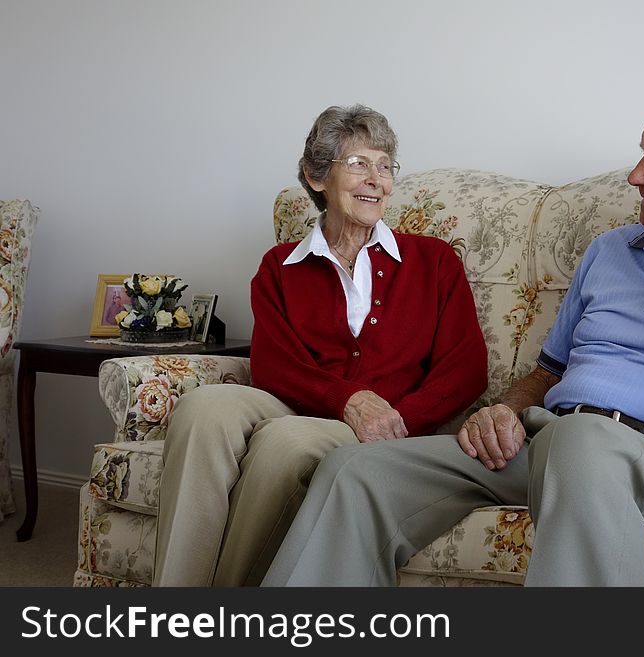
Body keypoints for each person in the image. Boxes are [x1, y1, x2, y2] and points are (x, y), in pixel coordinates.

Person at [261, 76, 644, 587]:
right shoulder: (611, 250)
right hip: (550, 439)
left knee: (584, 442)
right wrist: (506, 410)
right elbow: (549, 371)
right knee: (354, 471)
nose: (636, 176)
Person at [153, 104, 488, 586]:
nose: (375, 178)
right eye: (357, 163)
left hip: (378, 425)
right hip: (295, 404)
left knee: (282, 444)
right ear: (316, 177)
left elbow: (466, 368)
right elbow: (272, 365)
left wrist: (397, 421)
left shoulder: (433, 261)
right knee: (201, 408)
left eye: (385, 165)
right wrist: (345, 399)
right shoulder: (279, 266)